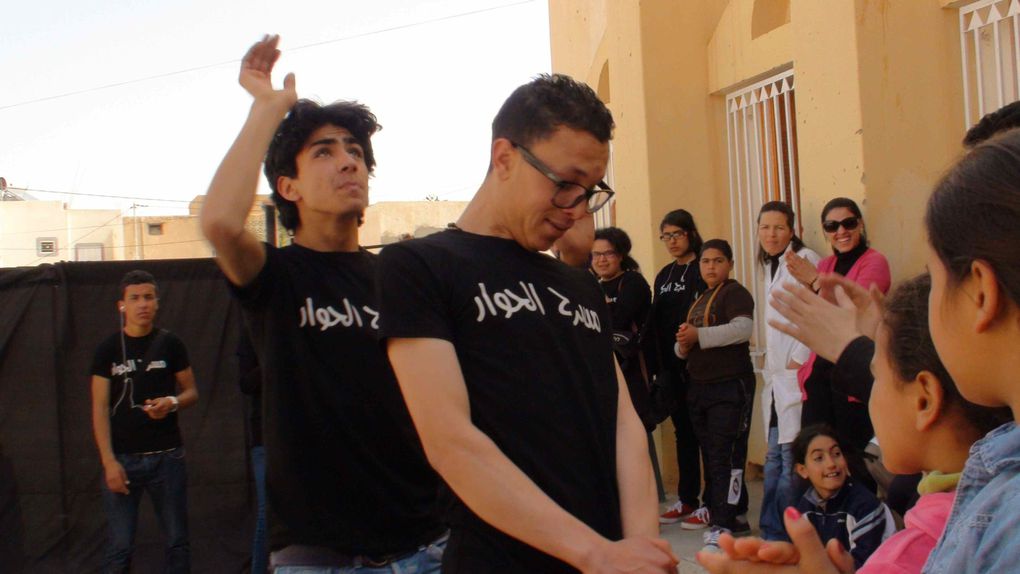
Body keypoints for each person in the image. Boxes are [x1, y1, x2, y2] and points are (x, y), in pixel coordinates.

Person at [377, 74, 677, 573]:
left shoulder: (579, 285)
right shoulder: (419, 267)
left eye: (590, 190)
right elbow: (451, 440)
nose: (576, 209)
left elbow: (624, 425)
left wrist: (638, 549)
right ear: (504, 158)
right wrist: (596, 554)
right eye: (565, 185)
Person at [200, 35, 445, 571]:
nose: (349, 162)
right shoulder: (276, 277)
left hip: (421, 548)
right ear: (289, 188)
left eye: (355, 152)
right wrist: (269, 109)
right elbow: (218, 221)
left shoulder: (398, 278)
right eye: (325, 152)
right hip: (317, 556)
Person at [90, 270, 199, 573]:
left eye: (148, 297)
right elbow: (98, 408)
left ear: (157, 302)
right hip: (124, 459)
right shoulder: (108, 350)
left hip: (167, 457)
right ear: (121, 305)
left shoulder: (171, 344)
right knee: (120, 545)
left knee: (177, 540)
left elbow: (191, 391)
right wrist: (109, 462)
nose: (143, 304)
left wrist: (172, 402)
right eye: (135, 298)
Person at [787, 197, 890, 491]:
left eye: (848, 223)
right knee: (813, 455)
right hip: (820, 376)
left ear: (860, 224)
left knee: (853, 462)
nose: (841, 231)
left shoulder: (874, 262)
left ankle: (859, 527)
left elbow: (857, 309)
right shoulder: (827, 264)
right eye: (832, 226)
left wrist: (816, 282)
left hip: (852, 376)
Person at [674, 239, 755, 552]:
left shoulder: (735, 292)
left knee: (726, 455)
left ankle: (724, 523)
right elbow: (684, 345)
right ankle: (735, 514)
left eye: (718, 261)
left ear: (730, 264)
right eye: (706, 261)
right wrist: (683, 345)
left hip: (729, 386)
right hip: (701, 387)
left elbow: (743, 329)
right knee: (711, 453)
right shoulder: (700, 298)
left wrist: (698, 336)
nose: (711, 267)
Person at [755, 201, 821, 542]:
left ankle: (783, 536)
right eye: (765, 227)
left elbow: (815, 311)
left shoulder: (804, 260)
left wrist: (798, 358)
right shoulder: (770, 266)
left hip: (793, 375)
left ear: (792, 230)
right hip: (778, 379)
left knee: (787, 463)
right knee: (773, 461)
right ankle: (771, 532)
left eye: (778, 227)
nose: (771, 234)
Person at [651, 209, 709, 526]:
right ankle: (687, 499)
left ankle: (712, 502)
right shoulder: (664, 275)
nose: (672, 241)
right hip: (671, 369)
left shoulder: (704, 267)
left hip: (701, 366)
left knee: (707, 434)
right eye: (666, 236)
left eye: (677, 234)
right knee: (683, 434)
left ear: (690, 233)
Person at [790, 425, 895, 569]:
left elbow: (863, 566)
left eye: (836, 454)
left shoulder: (865, 506)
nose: (831, 464)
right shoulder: (806, 507)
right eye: (819, 458)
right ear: (802, 470)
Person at [593, 226, 653, 427]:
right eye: (596, 254)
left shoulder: (633, 282)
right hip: (605, 370)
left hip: (632, 370)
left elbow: (617, 319)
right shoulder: (594, 286)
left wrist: (603, 306)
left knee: (636, 427)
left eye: (608, 253)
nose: (602, 259)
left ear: (620, 255)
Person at [237, 329, 267, 574]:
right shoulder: (250, 334)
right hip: (266, 436)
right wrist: (274, 358)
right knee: (267, 510)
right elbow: (246, 383)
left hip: (301, 431)